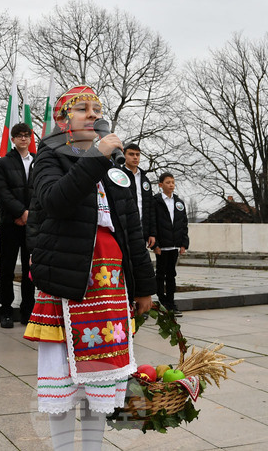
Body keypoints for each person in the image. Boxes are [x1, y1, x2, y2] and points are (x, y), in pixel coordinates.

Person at [23, 85, 155, 451]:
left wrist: (144, 287)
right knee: (64, 387)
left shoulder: (114, 169)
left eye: (97, 109)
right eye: (83, 109)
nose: (93, 114)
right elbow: (56, 202)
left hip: (110, 291)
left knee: (102, 385)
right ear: (63, 120)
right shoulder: (48, 158)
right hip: (68, 286)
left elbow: (132, 229)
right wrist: (96, 155)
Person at [0, 122, 35, 328]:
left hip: (33, 225)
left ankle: (28, 311)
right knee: (7, 269)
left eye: (26, 135)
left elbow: (43, 191)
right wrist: (20, 212)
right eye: (19, 135)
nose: (23, 138)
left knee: (30, 270)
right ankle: (6, 311)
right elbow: (2, 192)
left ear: (31, 138)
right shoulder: (3, 163)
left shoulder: (39, 161)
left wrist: (30, 214)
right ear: (13, 138)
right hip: (11, 224)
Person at [153, 173, 190, 316]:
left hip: (174, 245)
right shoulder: (156, 201)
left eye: (173, 182)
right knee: (160, 274)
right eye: (168, 182)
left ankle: (171, 302)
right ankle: (162, 302)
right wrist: (155, 244)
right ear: (161, 184)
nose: (171, 185)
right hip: (162, 246)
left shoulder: (179, 202)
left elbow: (183, 224)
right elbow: (153, 223)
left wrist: (183, 243)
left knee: (171, 275)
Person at [121, 143, 156, 248]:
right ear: (124, 155)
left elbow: (150, 208)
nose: (135, 157)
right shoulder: (119, 175)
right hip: (124, 230)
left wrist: (152, 233)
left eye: (137, 154)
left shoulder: (145, 179)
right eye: (131, 154)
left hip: (141, 232)